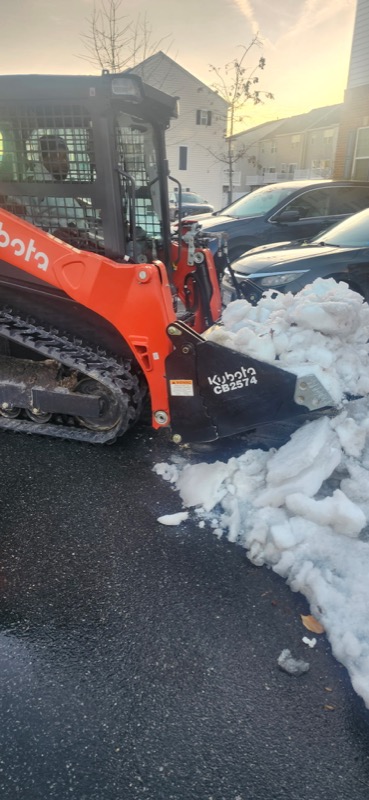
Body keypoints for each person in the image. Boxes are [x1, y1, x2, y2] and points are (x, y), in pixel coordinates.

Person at [26, 134, 89, 234]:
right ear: (43, 157)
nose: (65, 162)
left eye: (66, 157)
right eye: (58, 156)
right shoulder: (35, 184)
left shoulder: (53, 180)